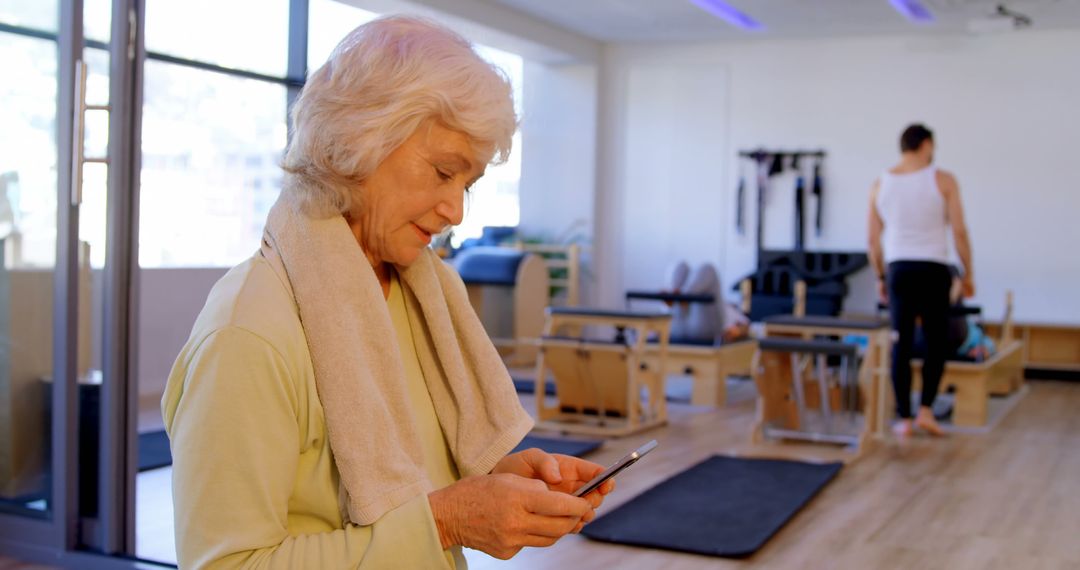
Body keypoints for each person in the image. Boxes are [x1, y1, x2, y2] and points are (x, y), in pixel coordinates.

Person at [162, 16, 613, 569]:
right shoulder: (248, 335)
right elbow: (224, 565)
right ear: (359, 142)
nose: (456, 211)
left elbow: (412, 483)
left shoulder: (414, 296)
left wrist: (497, 482)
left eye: (466, 184)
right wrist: (448, 519)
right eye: (443, 172)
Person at [867, 123, 975, 437]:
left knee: (899, 343)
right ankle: (926, 410)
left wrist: (880, 277)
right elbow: (959, 231)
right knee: (935, 341)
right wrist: (968, 273)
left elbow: (872, 242)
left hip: (898, 269)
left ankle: (903, 418)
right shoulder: (943, 180)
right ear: (926, 145)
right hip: (933, 269)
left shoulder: (880, 184)